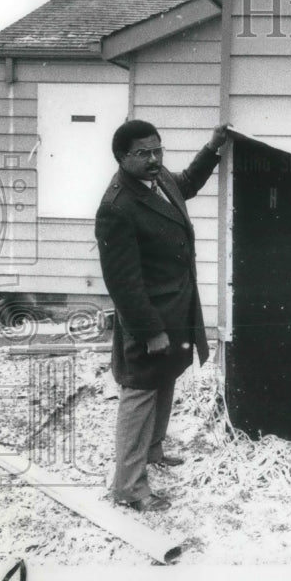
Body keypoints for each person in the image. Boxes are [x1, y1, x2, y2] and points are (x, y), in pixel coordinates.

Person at [95, 119, 230, 511]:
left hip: (176, 306)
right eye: (143, 153)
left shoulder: (160, 181)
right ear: (122, 157)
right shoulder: (117, 207)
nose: (154, 159)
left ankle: (153, 450)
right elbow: (122, 282)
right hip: (149, 316)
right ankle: (129, 487)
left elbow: (186, 183)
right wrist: (149, 330)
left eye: (158, 150)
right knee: (139, 391)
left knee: (166, 377)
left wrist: (213, 148)